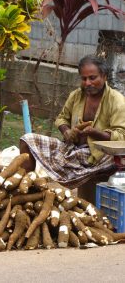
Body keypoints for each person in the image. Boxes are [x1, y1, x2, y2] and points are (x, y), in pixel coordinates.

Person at [19, 55, 125, 202]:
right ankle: (25, 191)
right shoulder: (76, 95)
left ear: (104, 76)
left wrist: (93, 132)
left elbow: (120, 137)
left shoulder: (116, 100)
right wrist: (66, 131)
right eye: (84, 78)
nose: (87, 83)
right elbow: (62, 118)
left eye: (92, 78)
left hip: (99, 156)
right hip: (72, 150)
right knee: (27, 140)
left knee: (113, 161)